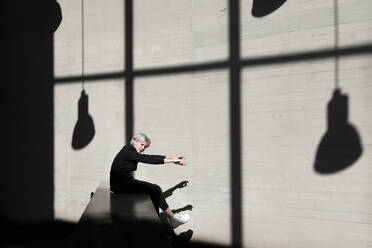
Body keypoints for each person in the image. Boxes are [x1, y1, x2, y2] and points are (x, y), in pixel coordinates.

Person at [110, 133, 190, 228]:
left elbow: (149, 156)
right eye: (142, 145)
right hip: (120, 184)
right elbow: (148, 159)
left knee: (155, 190)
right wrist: (172, 160)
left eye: (145, 146)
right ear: (134, 141)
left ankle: (167, 220)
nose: (143, 148)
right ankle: (168, 220)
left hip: (123, 182)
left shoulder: (130, 151)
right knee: (155, 190)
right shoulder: (128, 150)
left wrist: (173, 158)